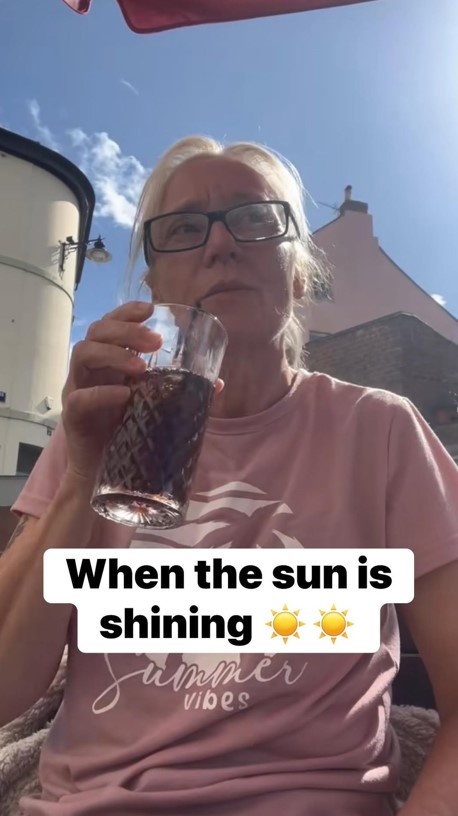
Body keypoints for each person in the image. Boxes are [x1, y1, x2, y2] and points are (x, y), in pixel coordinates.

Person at [1, 135, 458, 816]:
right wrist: (81, 475)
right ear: (156, 285)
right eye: (184, 228)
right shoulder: (98, 425)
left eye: (254, 218)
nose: (220, 244)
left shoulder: (381, 429)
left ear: (299, 273)